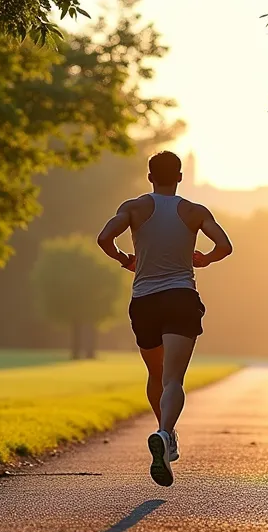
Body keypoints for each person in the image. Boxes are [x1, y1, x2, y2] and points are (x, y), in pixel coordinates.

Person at [96, 151, 233, 487]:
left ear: (149, 176)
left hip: (144, 301)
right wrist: (205, 259)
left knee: (155, 373)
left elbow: (103, 238)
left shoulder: (134, 208)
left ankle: (165, 435)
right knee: (174, 379)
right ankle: (164, 432)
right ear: (181, 177)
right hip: (180, 298)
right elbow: (225, 246)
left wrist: (125, 259)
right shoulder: (194, 211)